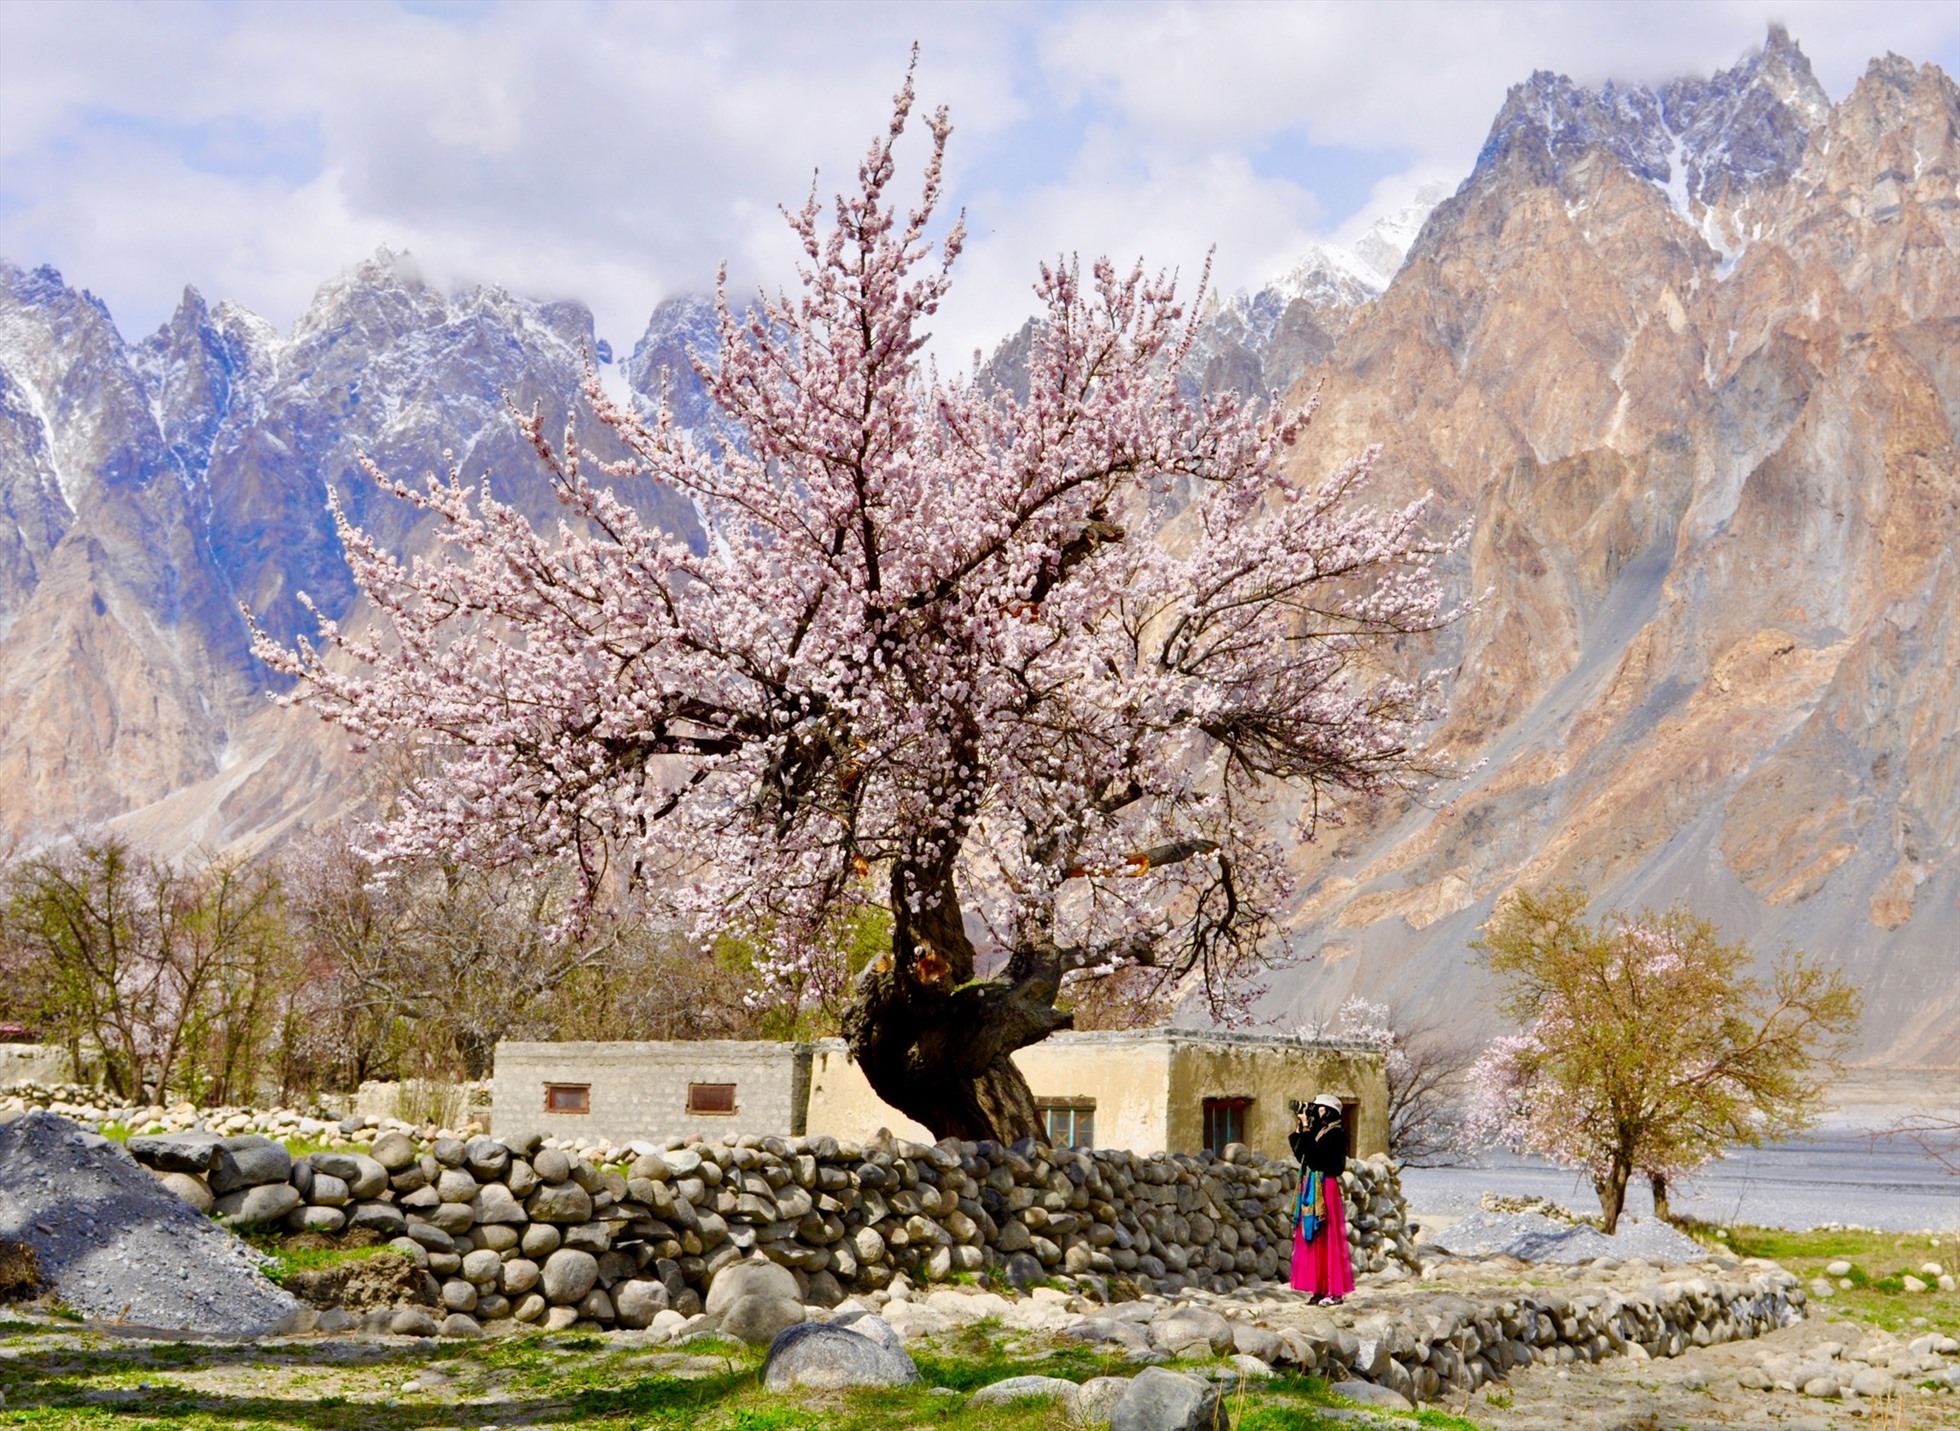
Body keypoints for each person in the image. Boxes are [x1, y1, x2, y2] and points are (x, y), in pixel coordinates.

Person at [1288, 1092, 1355, 1303]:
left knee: (1328, 1235)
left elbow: (1317, 1157)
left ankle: (1334, 1292)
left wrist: (1307, 1129)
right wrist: (1301, 1129)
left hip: (1326, 1186)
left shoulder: (1336, 1133)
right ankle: (1320, 1288)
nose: (1318, 1111)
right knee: (1314, 1237)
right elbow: (1304, 1156)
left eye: (1321, 1108)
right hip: (1313, 1184)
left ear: (1331, 1111)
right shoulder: (1319, 1131)